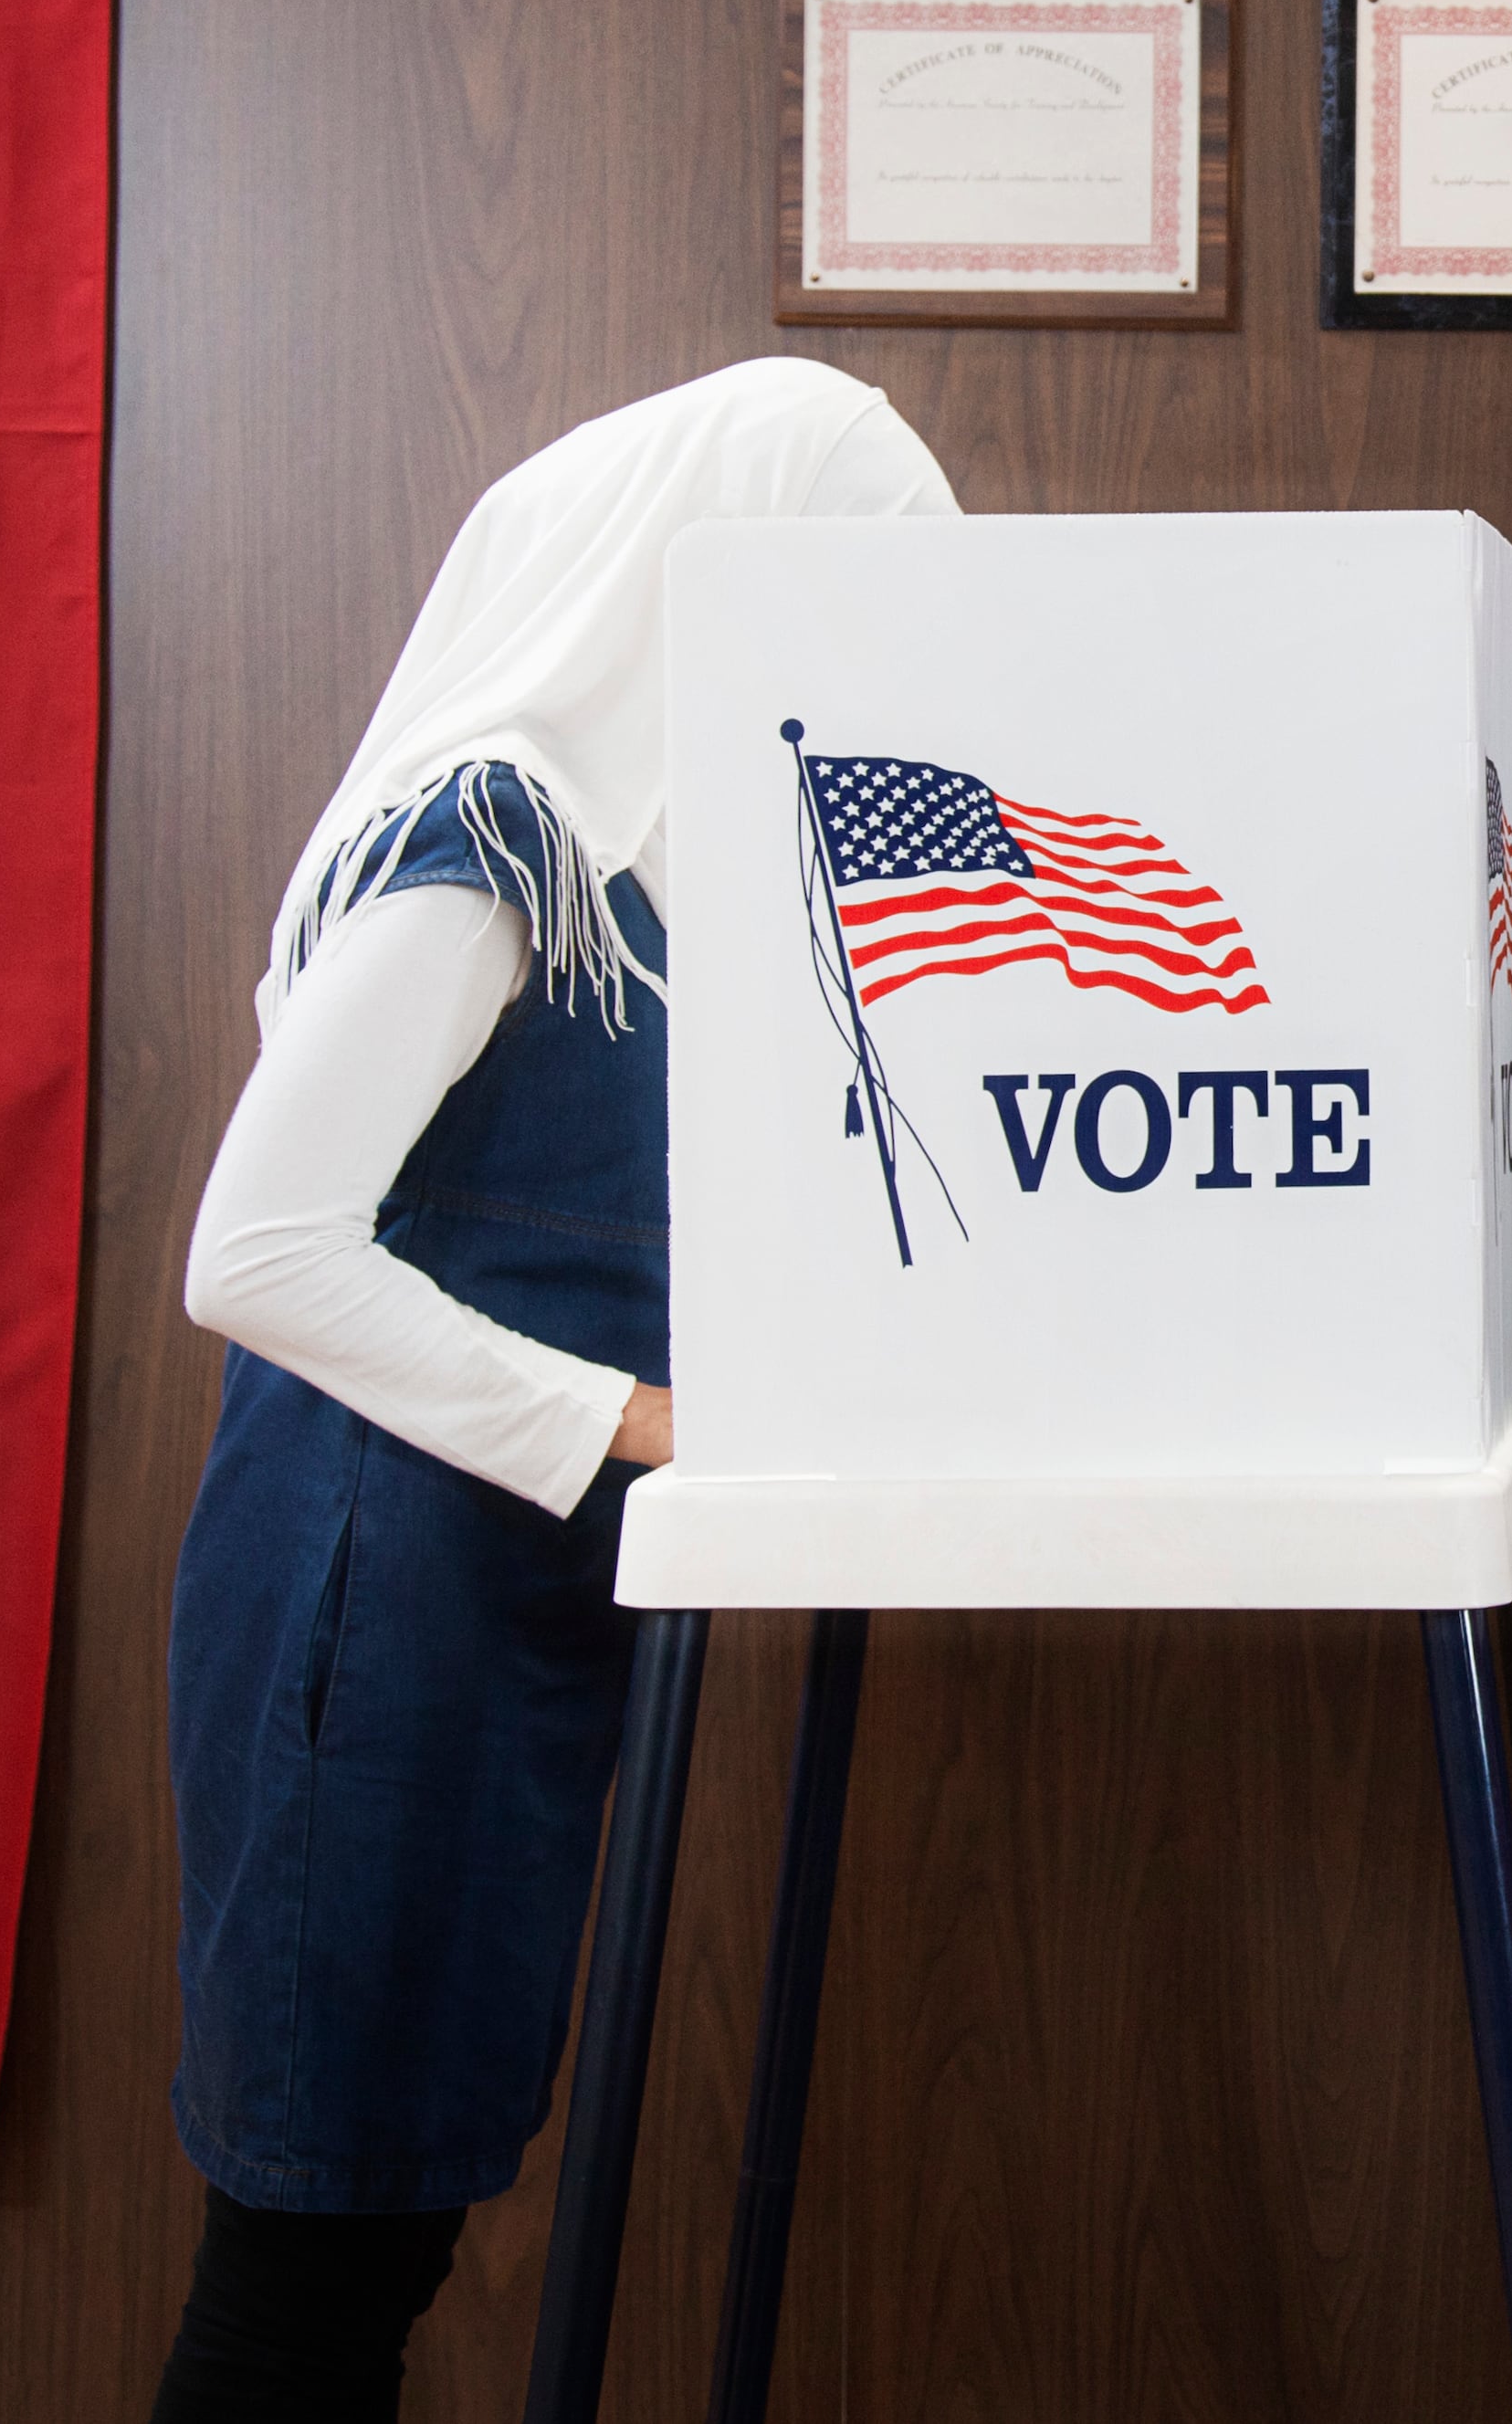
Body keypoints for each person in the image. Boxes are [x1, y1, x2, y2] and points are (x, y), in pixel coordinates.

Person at [151, 358, 959, 2421]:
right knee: (314, 2260)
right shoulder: (488, 842)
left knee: (387, 2224)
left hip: (485, 1599)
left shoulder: (646, 883)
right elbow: (253, 1254)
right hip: (369, 1604)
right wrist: (648, 1423)